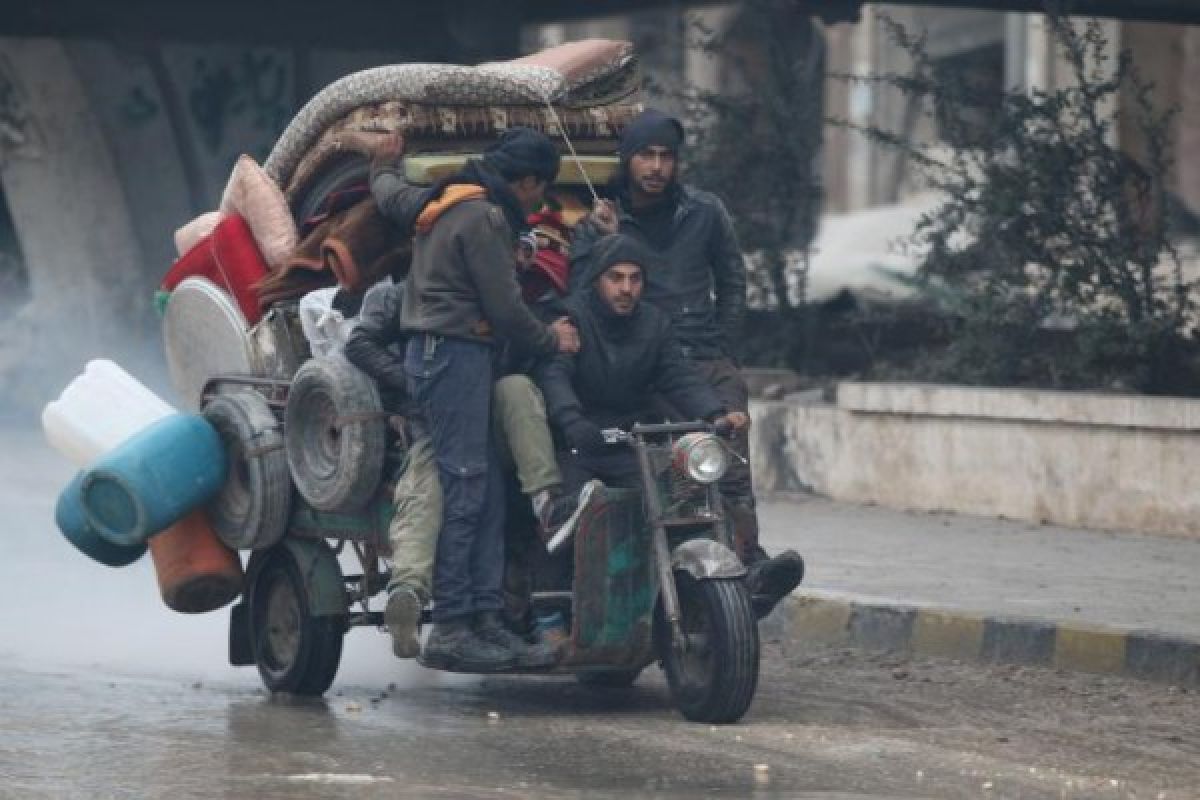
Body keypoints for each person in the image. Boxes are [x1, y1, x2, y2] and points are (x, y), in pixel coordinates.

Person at [569, 109, 804, 618]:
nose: (656, 166)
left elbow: (733, 280)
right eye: (646, 156)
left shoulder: (704, 210)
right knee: (667, 467)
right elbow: (579, 291)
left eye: (666, 156)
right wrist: (601, 236)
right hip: (638, 362)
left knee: (729, 454)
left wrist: (722, 344)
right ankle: (669, 563)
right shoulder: (600, 216)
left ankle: (748, 559)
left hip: (702, 355)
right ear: (627, 160)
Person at [390, 127, 579, 672]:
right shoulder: (485, 218)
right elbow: (505, 311)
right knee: (468, 485)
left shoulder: (457, 200)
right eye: (540, 191)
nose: (540, 204)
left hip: (457, 355)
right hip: (451, 354)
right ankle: (453, 624)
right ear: (526, 182)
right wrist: (552, 339)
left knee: (489, 490)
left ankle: (486, 619)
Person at [540, 233, 748, 519]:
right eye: (616, 277)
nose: (626, 288)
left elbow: (678, 375)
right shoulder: (571, 316)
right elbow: (555, 375)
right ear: (597, 279)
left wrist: (715, 414)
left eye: (635, 279)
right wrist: (571, 420)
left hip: (631, 447)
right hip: (578, 445)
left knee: (675, 507)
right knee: (574, 519)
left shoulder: (655, 323)